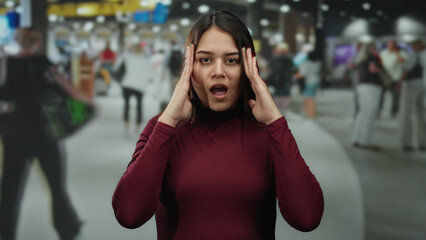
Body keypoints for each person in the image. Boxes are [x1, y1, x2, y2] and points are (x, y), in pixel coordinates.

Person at [112, 10, 324, 239]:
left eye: (231, 61)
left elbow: (307, 218)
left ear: (247, 68)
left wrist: (275, 122)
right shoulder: (162, 128)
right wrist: (169, 122)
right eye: (205, 60)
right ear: (189, 67)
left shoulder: (267, 131)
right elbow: (129, 214)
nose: (219, 72)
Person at [0, 28, 87, 240]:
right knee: (56, 186)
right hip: (45, 133)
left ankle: (5, 233)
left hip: (14, 135)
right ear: (37, 44)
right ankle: (68, 229)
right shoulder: (47, 65)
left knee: (10, 189)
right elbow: (71, 93)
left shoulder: (4, 64)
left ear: (16, 42)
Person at [113, 43, 157, 134]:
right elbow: (151, 75)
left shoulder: (127, 58)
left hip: (127, 84)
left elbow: (117, 66)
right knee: (139, 106)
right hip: (139, 87)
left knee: (126, 105)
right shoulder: (145, 61)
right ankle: (137, 127)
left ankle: (126, 125)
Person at [351, 42, 384, 151]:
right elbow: (372, 69)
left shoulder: (360, 60)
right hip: (372, 87)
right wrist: (382, 70)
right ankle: (365, 141)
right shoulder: (373, 58)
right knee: (370, 114)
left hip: (362, 86)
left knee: (362, 113)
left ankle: (356, 138)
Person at [398, 40, 426, 151]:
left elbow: (407, 69)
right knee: (422, 114)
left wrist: (399, 82)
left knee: (407, 113)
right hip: (423, 85)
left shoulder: (413, 55)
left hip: (411, 84)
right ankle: (423, 142)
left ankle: (407, 142)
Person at [379, 40, 408, 118]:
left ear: (395, 45)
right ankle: (378, 111)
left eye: (392, 44)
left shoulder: (401, 53)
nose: (390, 45)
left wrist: (396, 53)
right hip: (384, 78)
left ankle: (393, 113)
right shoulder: (383, 53)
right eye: (389, 44)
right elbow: (380, 63)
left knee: (395, 97)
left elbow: (402, 61)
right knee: (380, 96)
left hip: (395, 78)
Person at [266, 42, 294, 113]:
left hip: (277, 80)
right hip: (287, 80)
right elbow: (293, 69)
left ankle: (278, 111)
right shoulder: (289, 58)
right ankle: (284, 111)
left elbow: (269, 69)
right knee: (286, 96)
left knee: (277, 95)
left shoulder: (274, 58)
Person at [294, 51, 322, 120]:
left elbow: (303, 73)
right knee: (310, 98)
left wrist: (295, 76)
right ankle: (310, 115)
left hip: (308, 82)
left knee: (309, 99)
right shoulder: (318, 63)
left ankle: (311, 115)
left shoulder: (305, 63)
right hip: (316, 81)